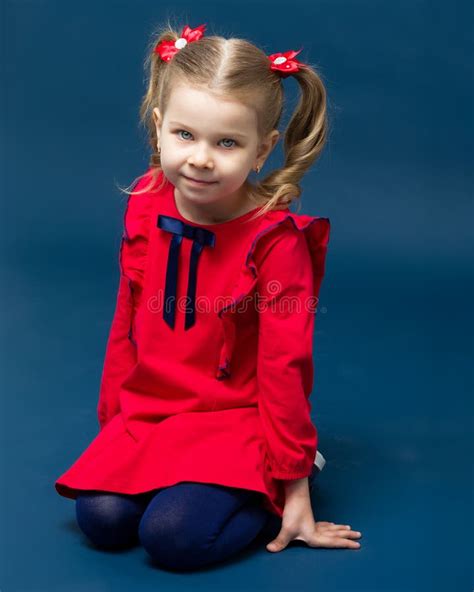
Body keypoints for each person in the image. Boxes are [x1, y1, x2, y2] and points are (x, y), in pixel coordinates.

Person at [54, 21, 362, 571]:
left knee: (172, 539)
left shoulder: (276, 243)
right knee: (101, 520)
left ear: (262, 149)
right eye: (185, 135)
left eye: (227, 143)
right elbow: (126, 322)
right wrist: (114, 432)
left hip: (235, 418)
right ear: (158, 127)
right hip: (157, 412)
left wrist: (294, 490)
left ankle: (268, 486)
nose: (200, 158)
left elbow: (283, 366)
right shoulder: (148, 204)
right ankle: (177, 480)